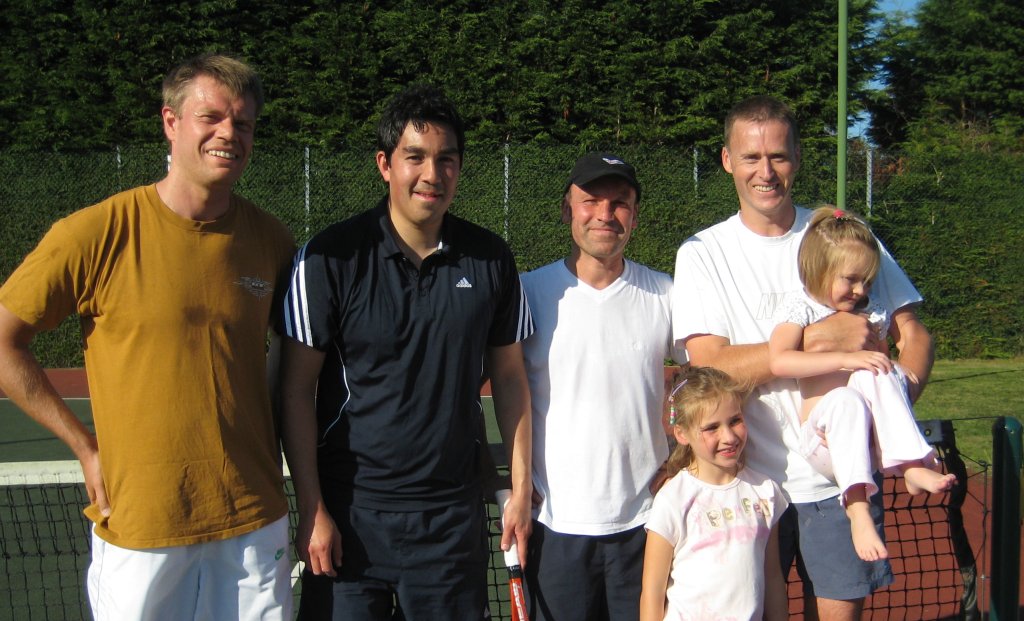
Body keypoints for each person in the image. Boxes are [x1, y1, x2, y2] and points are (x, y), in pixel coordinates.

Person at [0, 53, 295, 620]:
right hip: (142, 524)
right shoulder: (94, 233)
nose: (228, 134)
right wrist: (85, 448)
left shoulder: (272, 240)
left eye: (244, 123)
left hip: (255, 522)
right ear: (170, 121)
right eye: (211, 117)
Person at [671, 95, 935, 620]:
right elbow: (711, 367)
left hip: (841, 484)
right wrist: (814, 344)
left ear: (797, 158)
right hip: (746, 486)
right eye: (751, 158)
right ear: (727, 160)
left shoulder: (842, 238)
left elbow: (915, 334)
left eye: (778, 157)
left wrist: (890, 405)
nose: (765, 172)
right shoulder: (702, 252)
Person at [279, 83, 533, 620]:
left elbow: (509, 379)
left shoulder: (490, 259)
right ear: (384, 164)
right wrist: (313, 508)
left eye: (446, 160)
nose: (431, 174)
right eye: (414, 157)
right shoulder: (330, 258)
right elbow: (296, 390)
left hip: (450, 522)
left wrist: (521, 489)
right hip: (350, 519)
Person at [519, 152, 678, 621]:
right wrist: (514, 473)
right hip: (554, 526)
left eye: (620, 203)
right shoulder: (527, 293)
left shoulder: (665, 293)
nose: (605, 215)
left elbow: (707, 379)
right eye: (591, 201)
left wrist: (683, 460)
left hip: (648, 525)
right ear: (567, 209)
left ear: (635, 214)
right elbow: (500, 387)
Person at [768, 206, 956, 561]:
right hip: (822, 441)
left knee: (884, 371)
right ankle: (857, 508)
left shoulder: (871, 311)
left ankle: (911, 464)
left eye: (867, 281)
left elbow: (884, 366)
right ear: (816, 270)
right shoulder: (800, 308)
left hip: (867, 443)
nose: (860, 290)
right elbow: (779, 360)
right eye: (850, 279)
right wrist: (845, 359)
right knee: (845, 399)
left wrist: (891, 378)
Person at [640, 366, 788, 621]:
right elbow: (652, 592)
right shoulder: (673, 499)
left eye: (735, 421)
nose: (728, 436)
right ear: (682, 434)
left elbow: (772, 576)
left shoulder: (765, 491)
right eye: (711, 428)